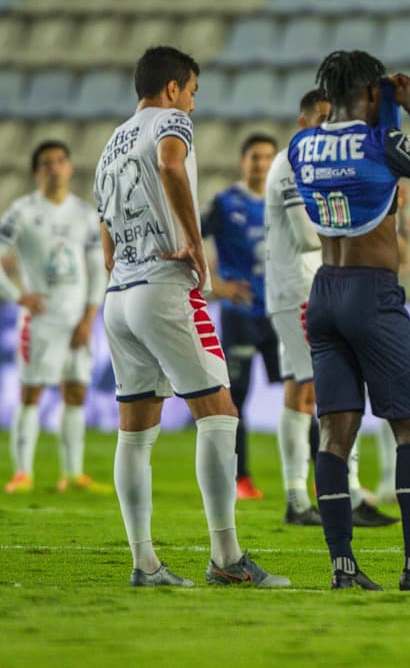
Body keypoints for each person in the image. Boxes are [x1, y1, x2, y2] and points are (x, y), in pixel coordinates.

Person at [94, 45, 287, 587]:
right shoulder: (170, 121)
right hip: (164, 286)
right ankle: (226, 559)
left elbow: (104, 233)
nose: (194, 106)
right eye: (193, 92)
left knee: (134, 432)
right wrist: (194, 245)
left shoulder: (110, 143)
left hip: (119, 297)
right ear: (174, 88)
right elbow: (171, 163)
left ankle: (145, 563)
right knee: (219, 412)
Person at [289, 50, 410, 591]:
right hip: (373, 295)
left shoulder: (302, 145)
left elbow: (347, 155)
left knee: (334, 433)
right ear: (374, 94)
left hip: (324, 294)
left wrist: (378, 110)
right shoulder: (384, 142)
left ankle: (342, 567)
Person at [264, 89, 398, 528]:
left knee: (301, 391)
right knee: (331, 391)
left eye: (332, 117)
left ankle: (300, 497)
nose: (326, 126)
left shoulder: (312, 161)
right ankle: (340, 494)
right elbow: (306, 236)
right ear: (303, 121)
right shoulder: (290, 163)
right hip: (301, 287)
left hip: (308, 286)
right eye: (320, 118)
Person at [2, 141, 109, 494]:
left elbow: (97, 268)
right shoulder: (22, 211)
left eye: (61, 161)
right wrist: (19, 296)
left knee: (76, 392)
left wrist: (89, 316)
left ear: (69, 167)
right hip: (40, 319)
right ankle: (22, 472)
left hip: (77, 318)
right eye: (46, 163)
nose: (55, 168)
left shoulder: (83, 214)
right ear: (36, 172)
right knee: (30, 393)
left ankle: (73, 475)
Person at [201, 133, 280, 500]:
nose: (261, 164)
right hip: (240, 315)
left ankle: (315, 476)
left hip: (280, 313)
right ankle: (242, 478)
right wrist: (214, 284)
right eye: (255, 157)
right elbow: (188, 239)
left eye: (267, 157)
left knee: (305, 394)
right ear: (242, 161)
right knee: (237, 399)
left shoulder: (284, 200)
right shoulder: (225, 203)